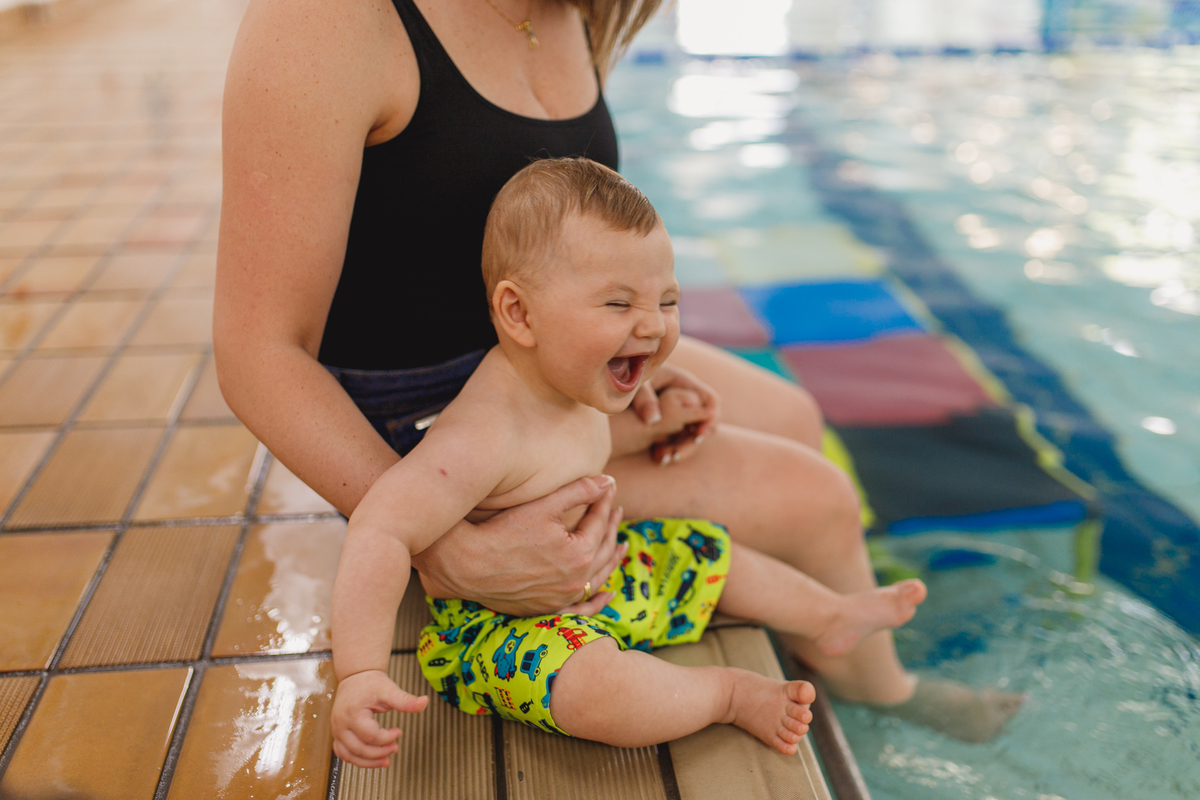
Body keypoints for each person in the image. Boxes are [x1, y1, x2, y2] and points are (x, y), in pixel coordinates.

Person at [215, 0, 1023, 743]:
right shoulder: (326, 22)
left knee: (789, 416)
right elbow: (260, 354)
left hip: (544, 366)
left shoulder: (577, 8)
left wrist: (627, 371)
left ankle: (825, 639)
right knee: (815, 500)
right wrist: (443, 544)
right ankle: (884, 694)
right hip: (444, 430)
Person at [330, 159, 930, 767]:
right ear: (519, 314)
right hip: (509, 626)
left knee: (709, 552)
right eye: (618, 303)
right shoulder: (482, 433)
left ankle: (831, 617)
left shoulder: (573, 383)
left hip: (602, 572)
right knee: (602, 693)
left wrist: (652, 425)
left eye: (667, 299)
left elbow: (569, 456)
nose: (652, 324)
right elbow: (381, 526)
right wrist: (359, 672)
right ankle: (726, 693)